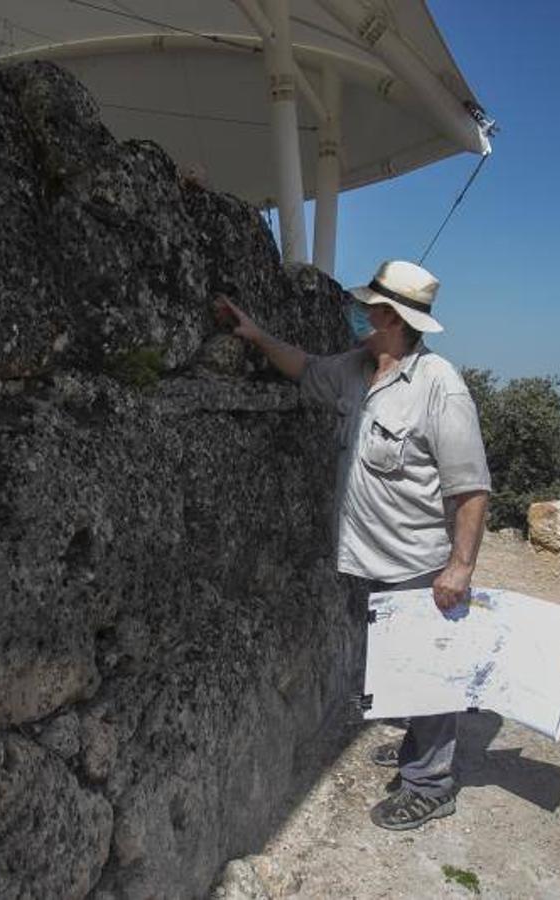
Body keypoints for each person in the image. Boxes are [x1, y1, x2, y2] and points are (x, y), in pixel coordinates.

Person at [215, 259, 491, 831]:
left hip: (416, 561)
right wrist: (258, 335)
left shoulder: (440, 386)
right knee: (399, 664)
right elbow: (305, 368)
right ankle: (421, 744)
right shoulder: (355, 368)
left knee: (425, 671)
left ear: (391, 318)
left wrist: (460, 568)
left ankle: (431, 783)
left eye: (370, 307)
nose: (360, 313)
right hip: (366, 558)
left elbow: (470, 488)